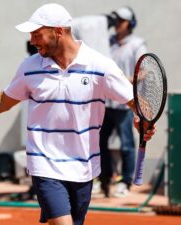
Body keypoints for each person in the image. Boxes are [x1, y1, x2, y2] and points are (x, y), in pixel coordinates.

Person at [0, 3, 155, 225]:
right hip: (45, 165)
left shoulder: (101, 66)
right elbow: (3, 101)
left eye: (37, 35)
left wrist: (142, 119)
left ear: (59, 32)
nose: (32, 41)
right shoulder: (29, 66)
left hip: (84, 167)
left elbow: (135, 101)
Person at [99, 6, 148, 198]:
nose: (117, 25)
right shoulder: (107, 43)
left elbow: (143, 71)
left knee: (127, 144)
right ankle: (104, 180)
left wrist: (120, 83)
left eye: (121, 21)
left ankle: (126, 182)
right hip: (105, 104)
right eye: (115, 21)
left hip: (125, 104)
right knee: (99, 144)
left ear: (130, 24)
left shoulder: (137, 44)